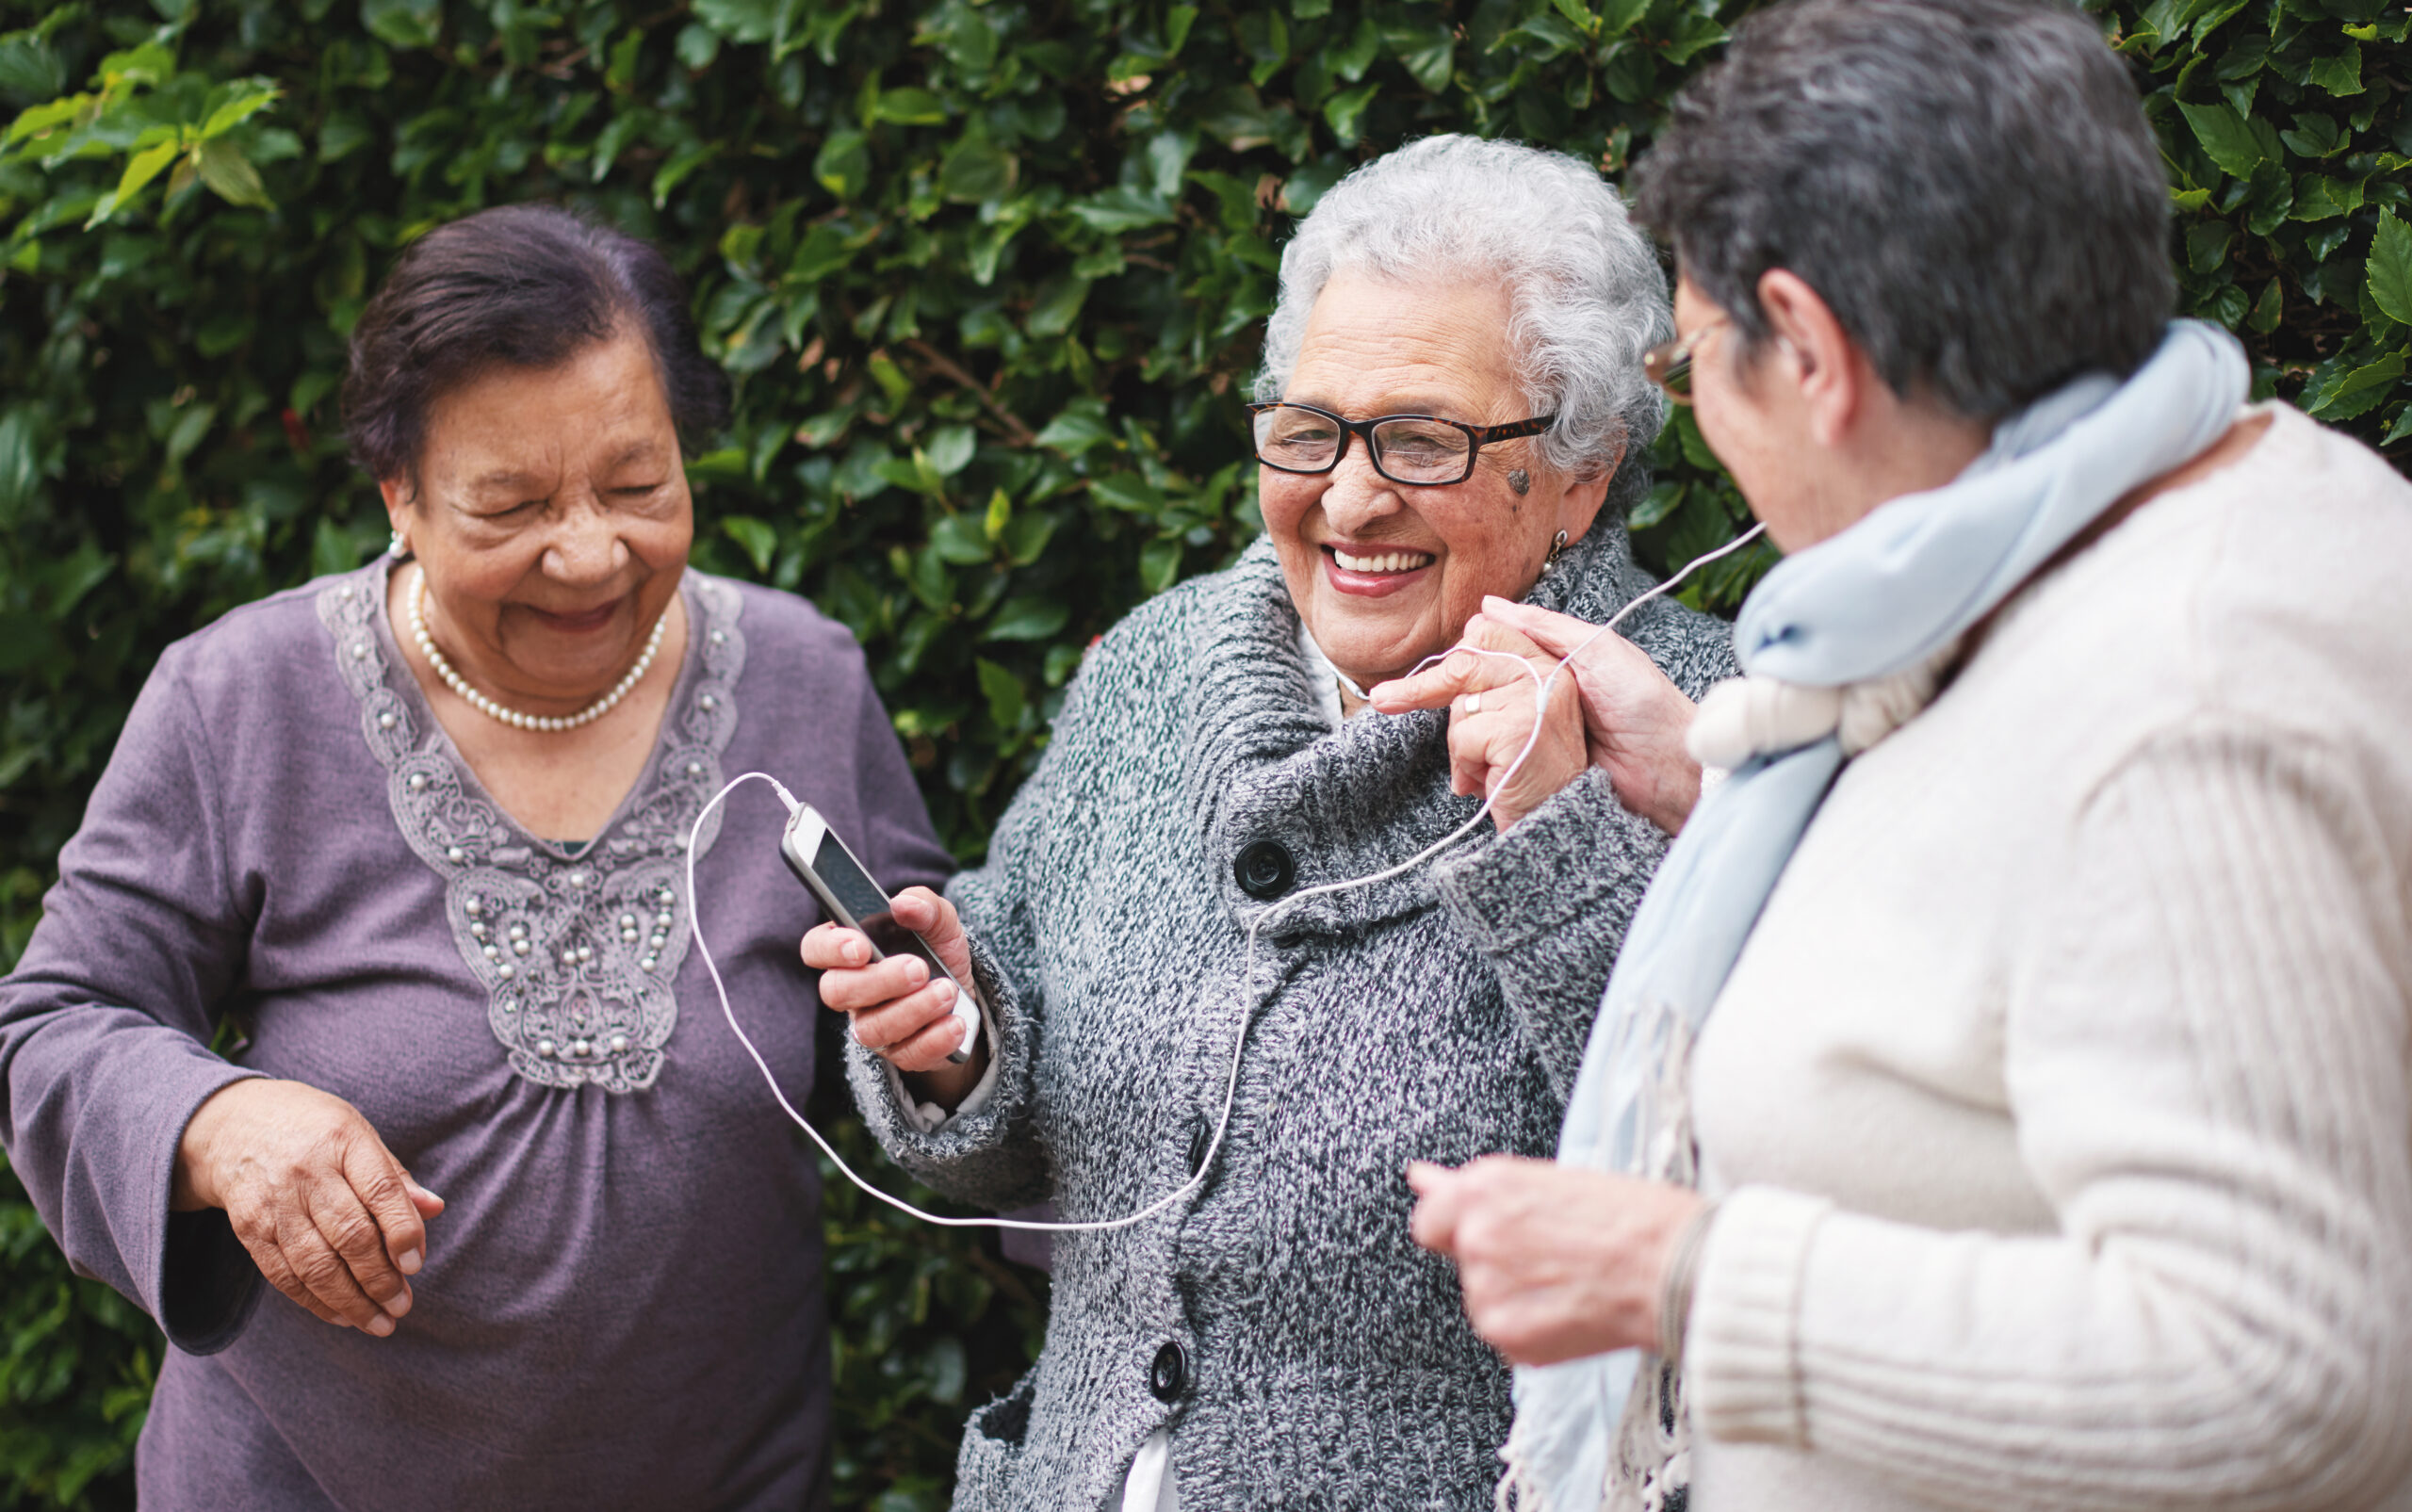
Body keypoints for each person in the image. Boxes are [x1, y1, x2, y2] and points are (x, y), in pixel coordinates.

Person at [1404, 2, 2412, 1508]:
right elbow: (2028, 912)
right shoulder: (2171, 507)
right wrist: (1704, 774)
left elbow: (2284, 1371)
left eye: (1702, 370)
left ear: (1808, 350)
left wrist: (1684, 1274)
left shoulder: (2187, 709)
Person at [803, 135, 1736, 1509]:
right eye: (1311, 431)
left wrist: (1557, 840)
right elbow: (1026, 1145)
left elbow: (1722, 1186)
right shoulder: (1156, 672)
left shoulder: (1701, 729)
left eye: (1424, 438)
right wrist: (957, 1041)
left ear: (1583, 469)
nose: (1351, 499)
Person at [0, 204, 953, 1509]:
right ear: (397, 489)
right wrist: (214, 1121)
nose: (589, 553)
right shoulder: (240, 700)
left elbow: (939, 1053)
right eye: (511, 504)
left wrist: (943, 1040)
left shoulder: (804, 681)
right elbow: (51, 1024)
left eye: (639, 486)